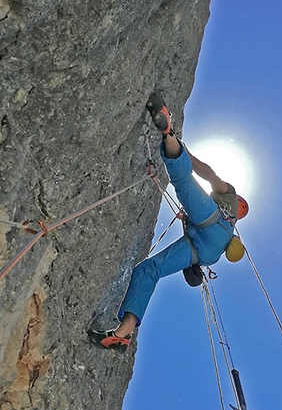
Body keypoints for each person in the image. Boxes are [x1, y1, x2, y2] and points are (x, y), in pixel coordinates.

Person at [87, 93, 249, 353]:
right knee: (148, 269)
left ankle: (167, 132)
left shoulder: (227, 196)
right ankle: (122, 335)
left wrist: (182, 148)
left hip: (209, 225)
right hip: (205, 252)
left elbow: (207, 173)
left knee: (183, 182)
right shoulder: (232, 224)